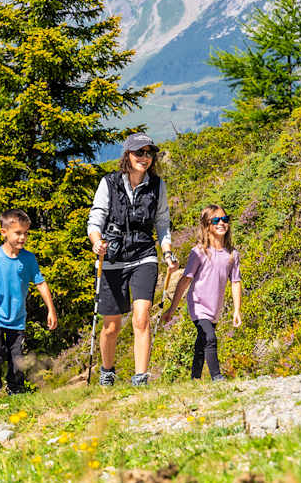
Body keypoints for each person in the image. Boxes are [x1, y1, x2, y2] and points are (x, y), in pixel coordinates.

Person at [87, 132, 175, 387]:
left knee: (141, 317)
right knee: (111, 327)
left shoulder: (157, 185)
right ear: (127, 155)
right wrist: (96, 241)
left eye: (149, 153)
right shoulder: (109, 183)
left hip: (144, 255)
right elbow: (96, 217)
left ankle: (140, 379)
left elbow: (162, 221)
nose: (145, 158)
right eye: (139, 153)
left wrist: (167, 251)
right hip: (112, 257)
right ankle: (107, 371)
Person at [0, 208, 58, 398]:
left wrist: (51, 310)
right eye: (18, 233)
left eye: (26, 233)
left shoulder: (28, 259)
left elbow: (41, 283)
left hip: (18, 318)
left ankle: (15, 388)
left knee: (17, 357)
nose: (23, 237)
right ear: (4, 232)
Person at [161, 205, 243, 381]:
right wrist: (172, 309)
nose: (221, 223)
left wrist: (237, 310)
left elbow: (236, 282)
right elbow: (185, 281)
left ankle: (195, 378)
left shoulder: (232, 254)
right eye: (216, 220)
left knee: (202, 342)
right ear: (207, 225)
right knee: (209, 337)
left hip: (215, 307)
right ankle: (217, 377)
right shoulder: (199, 252)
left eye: (225, 219)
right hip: (198, 305)